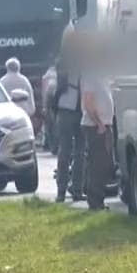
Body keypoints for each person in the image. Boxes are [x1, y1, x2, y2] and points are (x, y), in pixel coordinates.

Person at [50, 34, 85, 203]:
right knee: (79, 152)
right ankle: (76, 189)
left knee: (64, 151)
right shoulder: (82, 61)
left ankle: (61, 191)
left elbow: (60, 85)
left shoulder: (61, 61)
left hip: (65, 109)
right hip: (79, 109)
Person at [81, 69, 115, 212]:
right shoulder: (91, 75)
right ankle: (95, 202)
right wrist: (99, 123)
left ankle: (98, 199)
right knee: (97, 165)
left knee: (104, 165)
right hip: (95, 126)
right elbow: (88, 101)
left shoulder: (103, 76)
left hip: (104, 124)